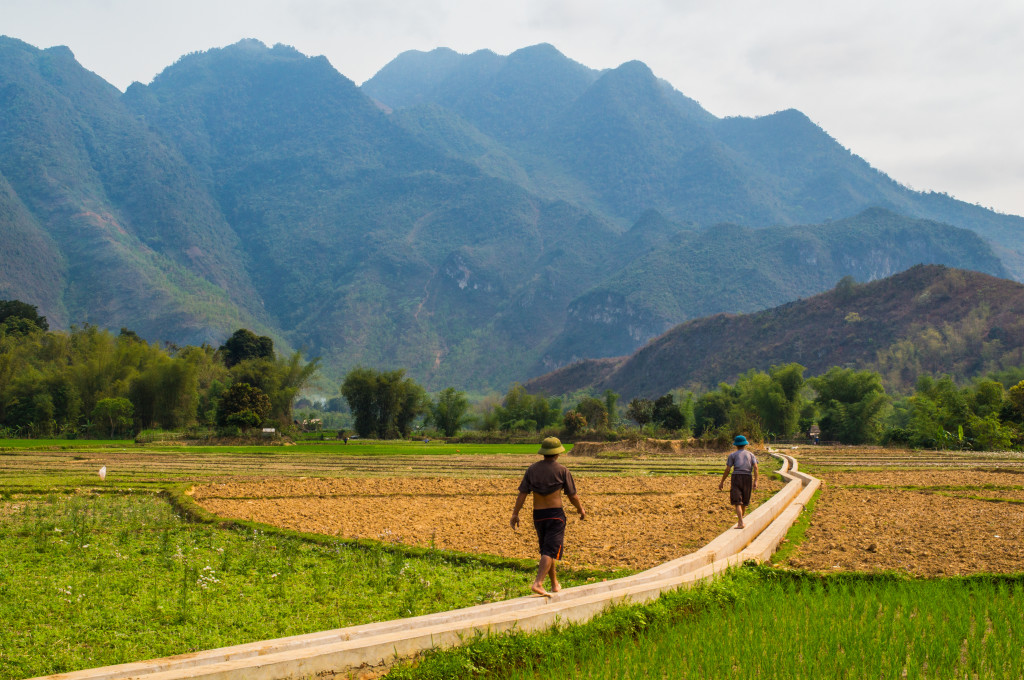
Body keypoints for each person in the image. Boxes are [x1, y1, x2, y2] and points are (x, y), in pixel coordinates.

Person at [510, 436, 586, 597]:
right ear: (557, 453)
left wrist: (515, 513)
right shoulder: (562, 470)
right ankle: (538, 583)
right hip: (555, 516)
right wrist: (580, 509)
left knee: (547, 549)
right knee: (551, 551)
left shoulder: (532, 470)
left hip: (538, 515)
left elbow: (522, 493)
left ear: (543, 452)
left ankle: (554, 584)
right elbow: (573, 496)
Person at [718, 434, 759, 529]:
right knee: (744, 502)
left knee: (737, 502)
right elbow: (756, 467)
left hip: (736, 477)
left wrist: (722, 482)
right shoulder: (751, 454)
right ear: (745, 444)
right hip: (748, 477)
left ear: (736, 445)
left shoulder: (732, 455)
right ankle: (741, 520)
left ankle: (740, 522)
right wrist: (756, 481)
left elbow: (728, 469)